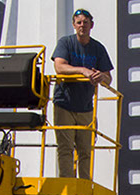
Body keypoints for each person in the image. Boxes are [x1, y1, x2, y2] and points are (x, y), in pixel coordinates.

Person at [51, 8, 113, 180]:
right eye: (79, 22)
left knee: (86, 149)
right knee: (65, 147)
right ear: (74, 25)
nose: (82, 26)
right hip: (65, 103)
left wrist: (101, 76)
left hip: (86, 106)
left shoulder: (98, 48)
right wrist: (82, 71)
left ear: (91, 25)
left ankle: (85, 185)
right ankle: (68, 183)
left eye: (85, 23)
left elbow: (109, 79)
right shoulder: (66, 43)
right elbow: (59, 67)